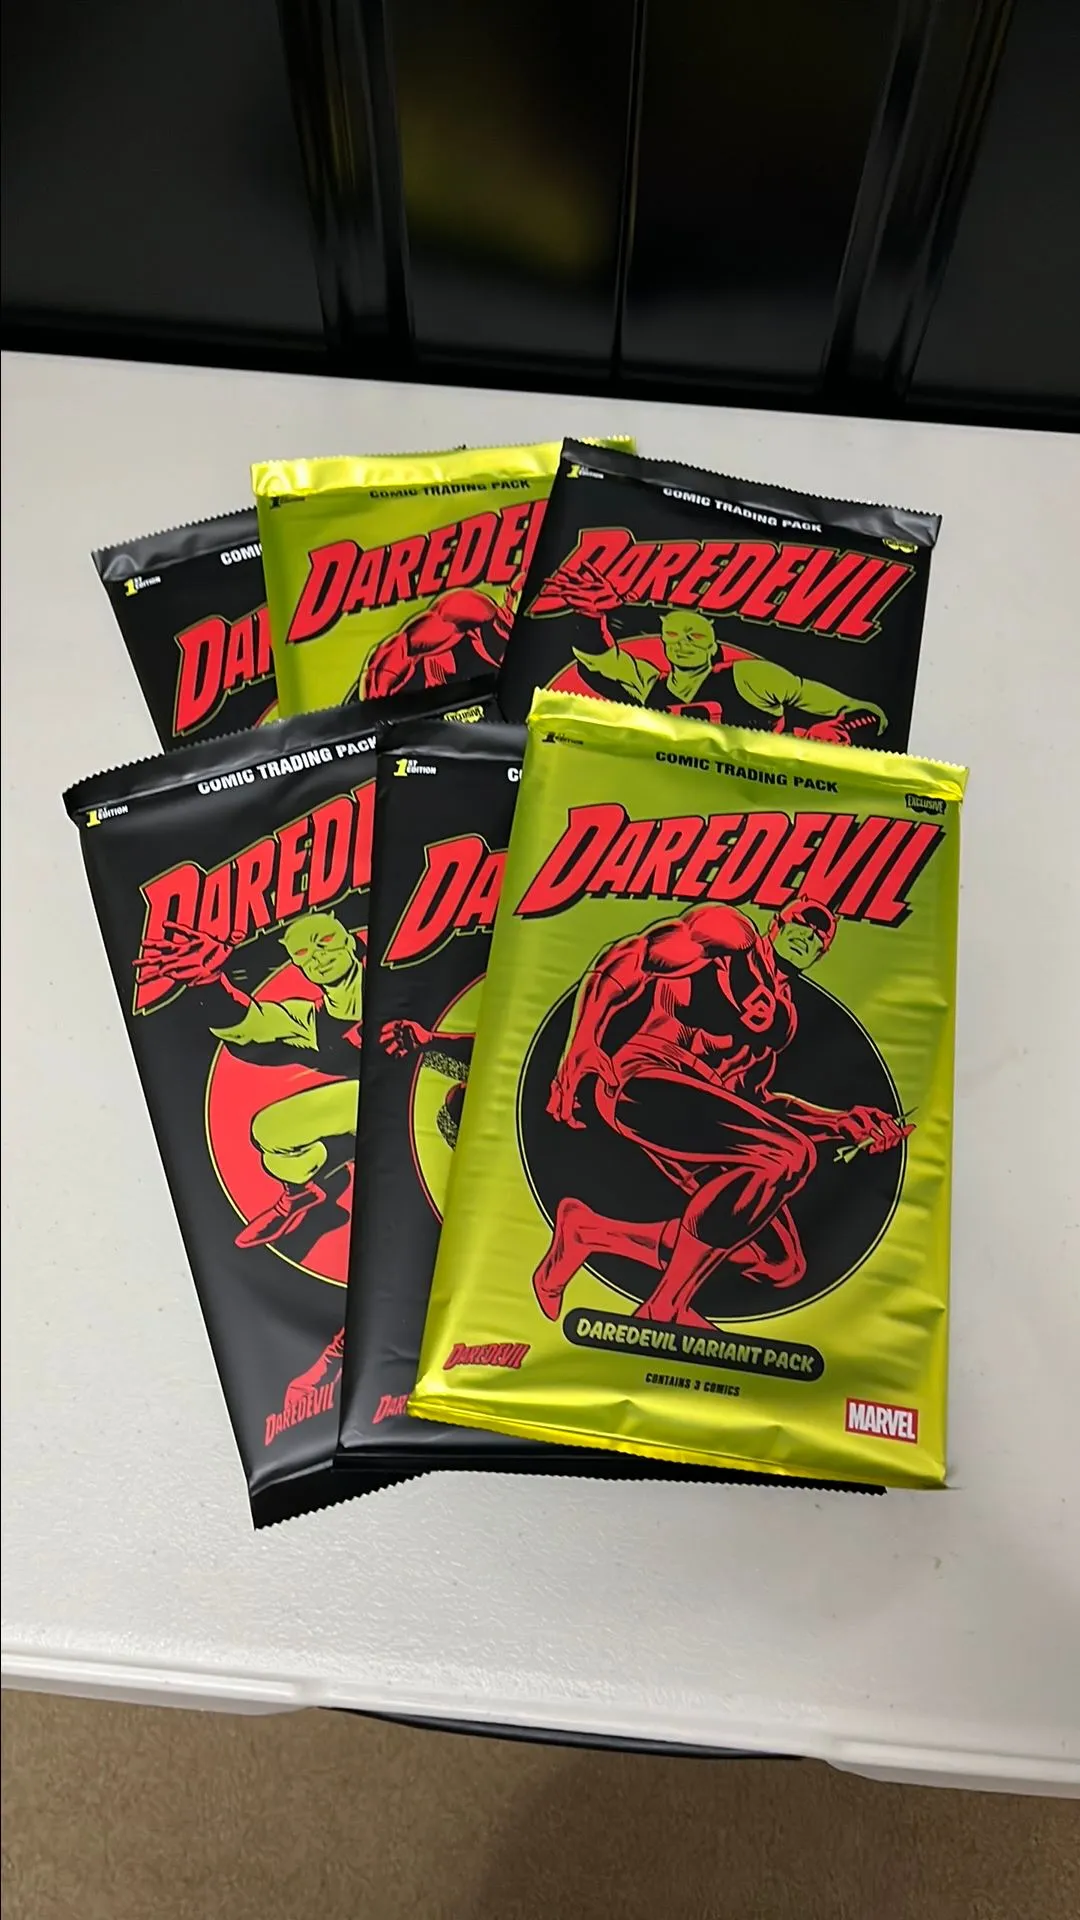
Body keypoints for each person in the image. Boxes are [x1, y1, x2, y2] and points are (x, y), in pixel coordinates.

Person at [533, 898, 911, 1328]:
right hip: (642, 1079)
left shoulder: (781, 1021)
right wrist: (582, 1040)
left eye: (818, 937)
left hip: (698, 1114)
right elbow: (632, 956)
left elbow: (756, 1104)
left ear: (821, 955)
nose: (807, 936)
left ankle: (587, 1233)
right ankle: (664, 1308)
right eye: (801, 924)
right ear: (776, 924)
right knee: (787, 1155)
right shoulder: (730, 938)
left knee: (779, 1261)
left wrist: (839, 1123)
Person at [134, 912, 364, 1249]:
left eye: (325, 942)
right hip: (368, 1106)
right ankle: (303, 1192)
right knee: (270, 1131)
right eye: (303, 953)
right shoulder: (313, 1018)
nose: (318, 957)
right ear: (298, 966)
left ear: (349, 941)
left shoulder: (398, 980)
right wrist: (209, 982)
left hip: (422, 1092)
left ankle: (348, 1153)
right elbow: (249, 1023)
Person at [547, 558, 886, 741]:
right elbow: (600, 660)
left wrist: (842, 729)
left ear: (713, 646)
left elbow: (858, 710)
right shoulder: (649, 683)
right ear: (663, 642)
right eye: (674, 635)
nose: (682, 644)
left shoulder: (750, 677)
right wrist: (590, 616)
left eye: (693, 636)